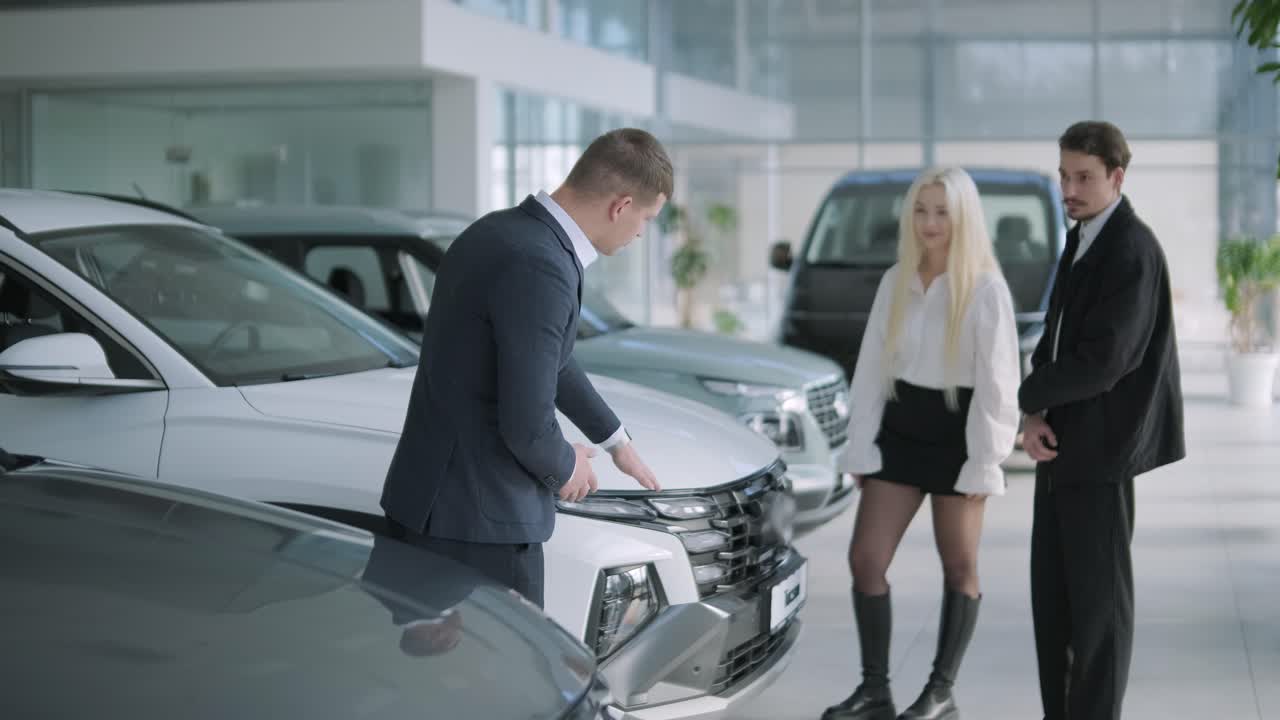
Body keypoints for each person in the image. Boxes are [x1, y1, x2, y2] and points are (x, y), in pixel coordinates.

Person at [380, 128, 668, 608]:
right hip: (477, 523)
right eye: (647, 219)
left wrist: (615, 441)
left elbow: (549, 358)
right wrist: (567, 466)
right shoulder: (541, 263)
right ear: (621, 206)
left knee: (426, 652)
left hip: (437, 504)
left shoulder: (500, 231)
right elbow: (527, 425)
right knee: (504, 657)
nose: (641, 233)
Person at [822, 167, 1021, 720]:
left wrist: (986, 461)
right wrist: (860, 446)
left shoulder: (986, 288)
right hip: (901, 429)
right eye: (921, 210)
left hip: (959, 436)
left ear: (963, 218)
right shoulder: (896, 280)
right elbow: (870, 369)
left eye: (942, 212)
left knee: (959, 566)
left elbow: (1000, 385)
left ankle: (941, 690)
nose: (930, 223)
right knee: (866, 559)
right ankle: (875, 691)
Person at [1020, 121, 1185, 720]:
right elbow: (1055, 336)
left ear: (1117, 177)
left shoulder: (1130, 249)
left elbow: (1106, 360)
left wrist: (1027, 392)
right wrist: (1034, 411)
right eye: (1064, 176)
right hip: (1063, 446)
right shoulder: (1083, 237)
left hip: (1101, 454)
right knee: (1055, 608)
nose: (1069, 189)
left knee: (1098, 616)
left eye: (1084, 177)